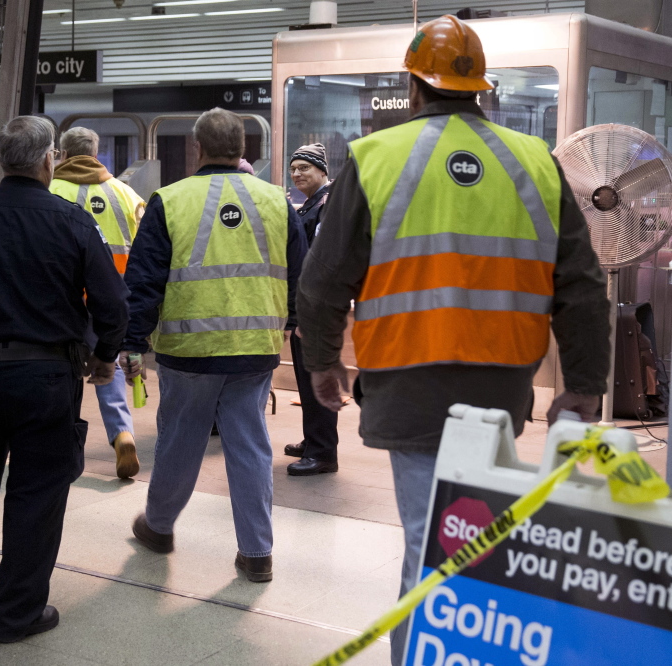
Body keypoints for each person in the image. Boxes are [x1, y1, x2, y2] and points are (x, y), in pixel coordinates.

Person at [295, 16, 609, 665]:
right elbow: (579, 285)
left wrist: (322, 363)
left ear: (413, 86)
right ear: (479, 89)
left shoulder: (374, 158)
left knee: (430, 542)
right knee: (470, 538)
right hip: (500, 385)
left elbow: (323, 282)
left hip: (405, 380)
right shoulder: (533, 162)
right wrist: (582, 384)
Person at [0, 116, 128, 643]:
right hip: (49, 379)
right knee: (37, 494)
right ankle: (18, 614)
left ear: (0, 161)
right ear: (46, 160)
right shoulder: (73, 222)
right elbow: (113, 303)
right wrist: (104, 356)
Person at [120, 108, 307, 583]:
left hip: (188, 352)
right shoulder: (276, 201)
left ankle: (159, 527)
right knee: (250, 446)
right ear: (244, 150)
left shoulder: (169, 200)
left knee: (180, 442)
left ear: (198, 150)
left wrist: (131, 341)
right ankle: (257, 553)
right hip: (256, 348)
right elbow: (301, 272)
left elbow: (143, 282)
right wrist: (300, 321)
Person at [49, 126, 145, 479]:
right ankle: (122, 433)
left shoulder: (50, 190)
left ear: (61, 153)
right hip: (111, 298)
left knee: (58, 366)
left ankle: (53, 441)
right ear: (96, 151)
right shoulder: (127, 194)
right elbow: (145, 254)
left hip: (64, 298)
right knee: (112, 365)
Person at [281, 143, 340, 476]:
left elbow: (324, 263)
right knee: (307, 381)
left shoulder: (328, 206)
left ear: (322, 171)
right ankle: (313, 440)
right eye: (293, 169)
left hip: (315, 311)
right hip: (304, 308)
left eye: (304, 167)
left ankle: (323, 453)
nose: (296, 174)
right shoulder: (309, 206)